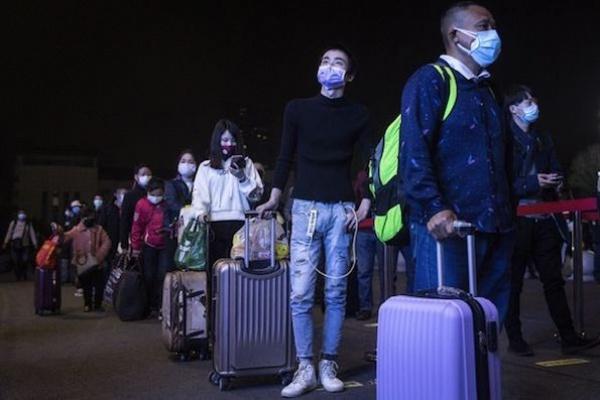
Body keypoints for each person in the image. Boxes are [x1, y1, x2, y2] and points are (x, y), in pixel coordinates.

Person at [257, 44, 371, 397]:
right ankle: (305, 365)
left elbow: (366, 160)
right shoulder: (297, 109)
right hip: (304, 208)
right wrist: (274, 195)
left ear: (349, 75)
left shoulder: (358, 114)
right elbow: (285, 155)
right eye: (325, 61)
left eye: (338, 62)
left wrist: (366, 202)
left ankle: (329, 362)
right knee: (301, 292)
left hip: (340, 211)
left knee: (336, 292)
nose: (329, 66)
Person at [400, 3, 515, 322]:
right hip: (447, 232)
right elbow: (413, 152)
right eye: (483, 26)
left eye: (493, 26)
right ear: (455, 35)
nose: (493, 34)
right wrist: (434, 207)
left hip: (496, 229)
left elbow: (505, 157)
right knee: (441, 327)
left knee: (487, 328)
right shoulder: (431, 80)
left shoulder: (490, 89)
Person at [503, 85, 600, 355]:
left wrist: (555, 180)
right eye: (527, 102)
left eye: (534, 99)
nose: (533, 104)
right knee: (514, 283)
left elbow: (556, 167)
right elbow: (503, 182)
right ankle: (515, 339)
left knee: (553, 281)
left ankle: (568, 337)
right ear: (514, 109)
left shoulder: (543, 138)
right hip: (518, 221)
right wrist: (533, 182)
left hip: (546, 218)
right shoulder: (504, 141)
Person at [192, 119, 263, 269]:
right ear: (217, 141)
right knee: (216, 269)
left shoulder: (247, 164)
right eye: (224, 140)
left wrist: (242, 177)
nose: (229, 144)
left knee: (240, 269)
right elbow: (199, 194)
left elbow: (256, 195)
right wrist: (200, 213)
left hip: (242, 224)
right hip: (214, 224)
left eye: (232, 140)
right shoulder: (206, 167)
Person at [131, 178, 170, 319]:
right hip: (148, 246)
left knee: (162, 276)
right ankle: (149, 306)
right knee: (148, 276)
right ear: (148, 192)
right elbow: (137, 226)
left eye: (159, 194)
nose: (156, 197)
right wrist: (135, 246)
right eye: (153, 194)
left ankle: (160, 306)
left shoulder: (167, 205)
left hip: (164, 245)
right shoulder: (141, 205)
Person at [61, 209, 111, 312]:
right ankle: (87, 304)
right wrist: (58, 234)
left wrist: (99, 256)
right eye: (87, 217)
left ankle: (97, 304)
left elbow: (107, 242)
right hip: (83, 262)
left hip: (97, 263)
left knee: (99, 285)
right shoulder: (77, 230)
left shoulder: (99, 229)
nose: (89, 219)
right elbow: (66, 236)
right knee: (86, 285)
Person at [164, 150, 197, 265]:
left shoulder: (200, 184)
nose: (187, 164)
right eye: (183, 161)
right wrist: (191, 212)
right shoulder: (171, 184)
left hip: (196, 230)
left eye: (190, 161)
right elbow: (172, 204)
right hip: (175, 230)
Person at [120, 164, 152, 251]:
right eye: (143, 174)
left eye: (149, 174)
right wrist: (124, 244)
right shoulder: (130, 196)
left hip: (153, 240)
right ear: (136, 177)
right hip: (136, 240)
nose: (147, 177)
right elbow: (124, 221)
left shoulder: (155, 195)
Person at [3, 210, 38, 280]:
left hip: (25, 244)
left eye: (23, 214)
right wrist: (5, 242)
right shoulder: (14, 223)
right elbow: (9, 232)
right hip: (14, 244)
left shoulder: (28, 224)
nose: (21, 216)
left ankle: (24, 274)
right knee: (15, 261)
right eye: (20, 214)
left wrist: (35, 243)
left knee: (25, 260)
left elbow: (32, 234)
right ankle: (18, 276)